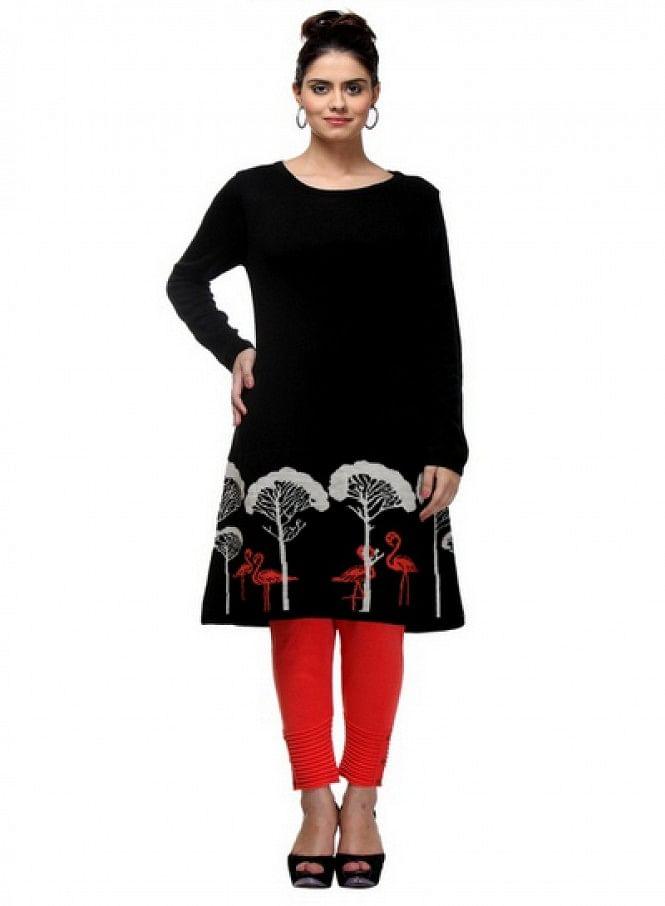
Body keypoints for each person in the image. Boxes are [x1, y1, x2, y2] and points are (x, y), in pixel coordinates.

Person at [165, 8, 469, 889]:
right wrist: (234, 351)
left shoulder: (413, 200)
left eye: (353, 87)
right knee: (296, 621)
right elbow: (185, 280)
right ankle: (313, 800)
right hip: (285, 432)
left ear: (375, 97)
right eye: (321, 86)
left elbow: (435, 327)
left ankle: (363, 799)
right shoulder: (253, 192)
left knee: (376, 620)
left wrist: (446, 443)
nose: (337, 100)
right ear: (296, 95)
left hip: (390, 435)